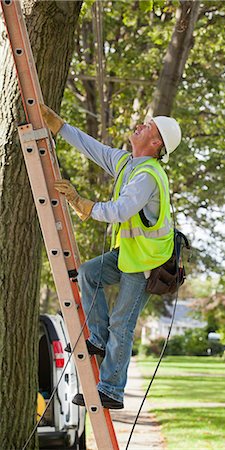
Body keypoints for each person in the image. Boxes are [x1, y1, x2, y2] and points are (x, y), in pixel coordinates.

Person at [40, 104, 181, 409]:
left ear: (156, 144)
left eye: (148, 126)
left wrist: (83, 203)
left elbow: (121, 210)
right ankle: (98, 339)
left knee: (122, 323)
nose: (141, 126)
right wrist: (59, 127)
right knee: (89, 273)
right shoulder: (127, 164)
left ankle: (112, 391)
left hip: (146, 263)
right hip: (130, 255)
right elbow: (93, 148)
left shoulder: (148, 176)